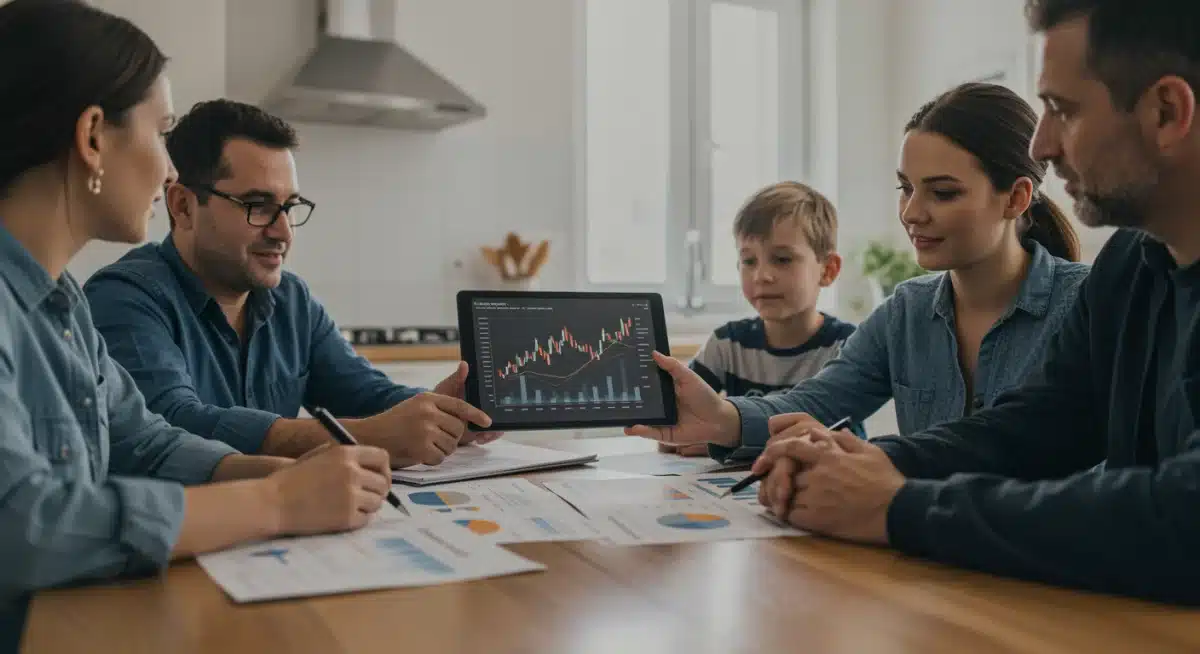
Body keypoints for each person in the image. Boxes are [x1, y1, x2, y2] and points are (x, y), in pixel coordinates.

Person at [750, 0, 1200, 604]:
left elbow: (1181, 514)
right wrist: (875, 462)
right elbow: (1037, 425)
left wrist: (900, 506)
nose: (1042, 144)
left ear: (1167, 112)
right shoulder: (1128, 266)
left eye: (1062, 110)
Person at [0, 2, 394, 650]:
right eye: (161, 133)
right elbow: (22, 526)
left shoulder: (61, 305)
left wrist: (279, 474)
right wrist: (279, 504)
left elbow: (146, 442)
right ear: (93, 136)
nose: (166, 169)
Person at [629, 82, 1089, 464]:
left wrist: (862, 455)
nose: (911, 213)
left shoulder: (1086, 304)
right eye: (905, 189)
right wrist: (723, 417)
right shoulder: (906, 312)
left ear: (1016, 198)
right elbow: (816, 402)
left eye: (943, 193)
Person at [83, 99, 496, 468]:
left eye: (290, 207)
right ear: (183, 205)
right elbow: (171, 425)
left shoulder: (291, 299)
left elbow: (366, 395)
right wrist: (367, 437)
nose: (283, 231)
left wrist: (442, 412)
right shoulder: (124, 298)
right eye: (259, 206)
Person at [663, 182, 859, 457]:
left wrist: (721, 439)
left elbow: (846, 443)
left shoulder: (848, 346)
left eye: (782, 259)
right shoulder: (727, 343)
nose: (761, 276)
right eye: (749, 261)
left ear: (827, 270)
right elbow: (675, 420)